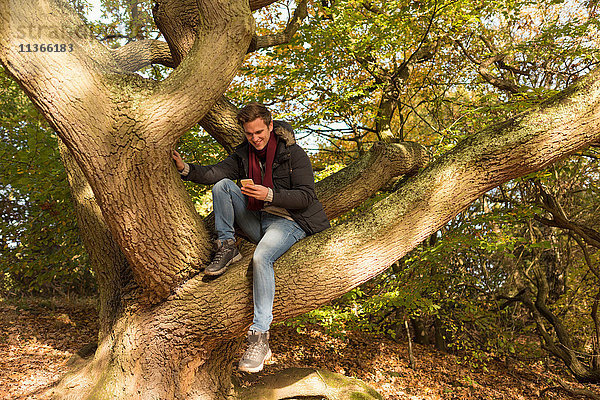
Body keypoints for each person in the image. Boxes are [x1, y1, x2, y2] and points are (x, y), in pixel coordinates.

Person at [172, 102, 330, 373]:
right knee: (223, 186)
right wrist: (185, 168)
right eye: (249, 134)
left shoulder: (294, 155)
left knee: (261, 258)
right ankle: (227, 246)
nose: (255, 139)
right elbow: (215, 173)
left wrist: (269, 195)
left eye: (259, 132)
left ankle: (260, 337)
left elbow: (306, 196)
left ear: (270, 126)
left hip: (290, 222)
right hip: (260, 221)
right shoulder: (244, 154)